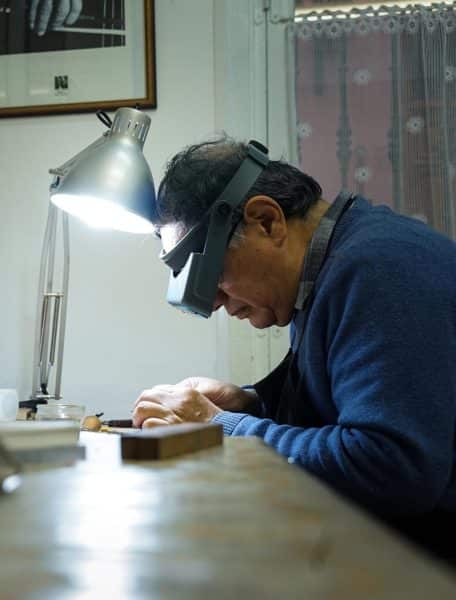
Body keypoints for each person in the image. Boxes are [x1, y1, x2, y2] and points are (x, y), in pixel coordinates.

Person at [132, 137, 456, 559]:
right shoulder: (332, 266)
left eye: (210, 275)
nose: (211, 304)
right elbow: (343, 411)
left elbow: (393, 470)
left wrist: (222, 428)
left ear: (266, 221)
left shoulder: (379, 270)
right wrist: (250, 403)